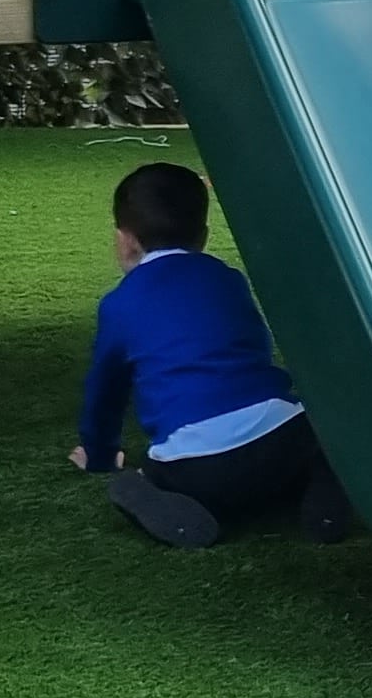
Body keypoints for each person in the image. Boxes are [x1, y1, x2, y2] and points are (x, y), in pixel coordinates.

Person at [70, 160, 354, 548]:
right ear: (203, 235)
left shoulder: (119, 305)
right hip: (283, 441)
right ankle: (323, 506)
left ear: (124, 240)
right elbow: (256, 348)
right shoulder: (227, 278)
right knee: (325, 441)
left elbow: (105, 393)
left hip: (195, 467)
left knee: (141, 478)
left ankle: (155, 499)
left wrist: (100, 455)